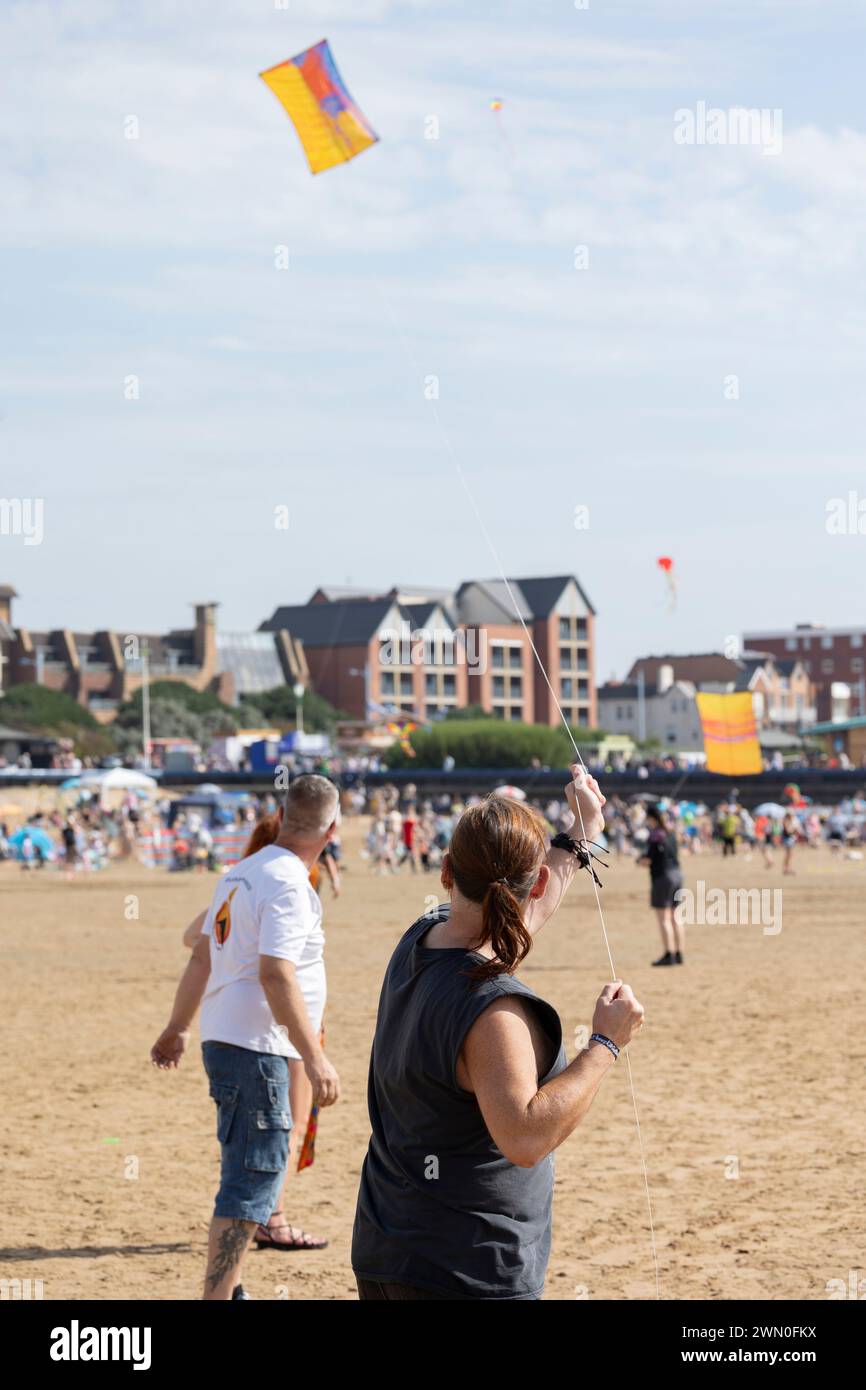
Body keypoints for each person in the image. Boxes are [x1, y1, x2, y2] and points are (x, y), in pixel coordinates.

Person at [351, 766, 645, 1301]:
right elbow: (525, 1137)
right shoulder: (493, 1011)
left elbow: (512, 918)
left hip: (386, 1249)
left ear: (445, 872)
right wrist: (604, 1045)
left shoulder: (421, 937)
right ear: (531, 882)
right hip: (463, 1270)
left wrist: (580, 838)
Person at [150, 775, 342, 1300]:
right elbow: (276, 973)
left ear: (282, 816)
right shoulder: (288, 883)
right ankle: (219, 1297)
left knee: (249, 1169)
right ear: (332, 829)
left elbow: (200, 954)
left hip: (226, 1037)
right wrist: (316, 1057)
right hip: (258, 1047)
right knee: (252, 1176)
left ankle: (231, 1291)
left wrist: (178, 1028)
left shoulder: (240, 872)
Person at [638, 804, 685, 967]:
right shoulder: (671, 833)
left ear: (651, 818)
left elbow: (648, 860)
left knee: (664, 918)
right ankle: (679, 954)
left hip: (663, 877)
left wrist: (639, 861)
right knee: (676, 916)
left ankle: (668, 954)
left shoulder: (655, 835)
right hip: (677, 875)